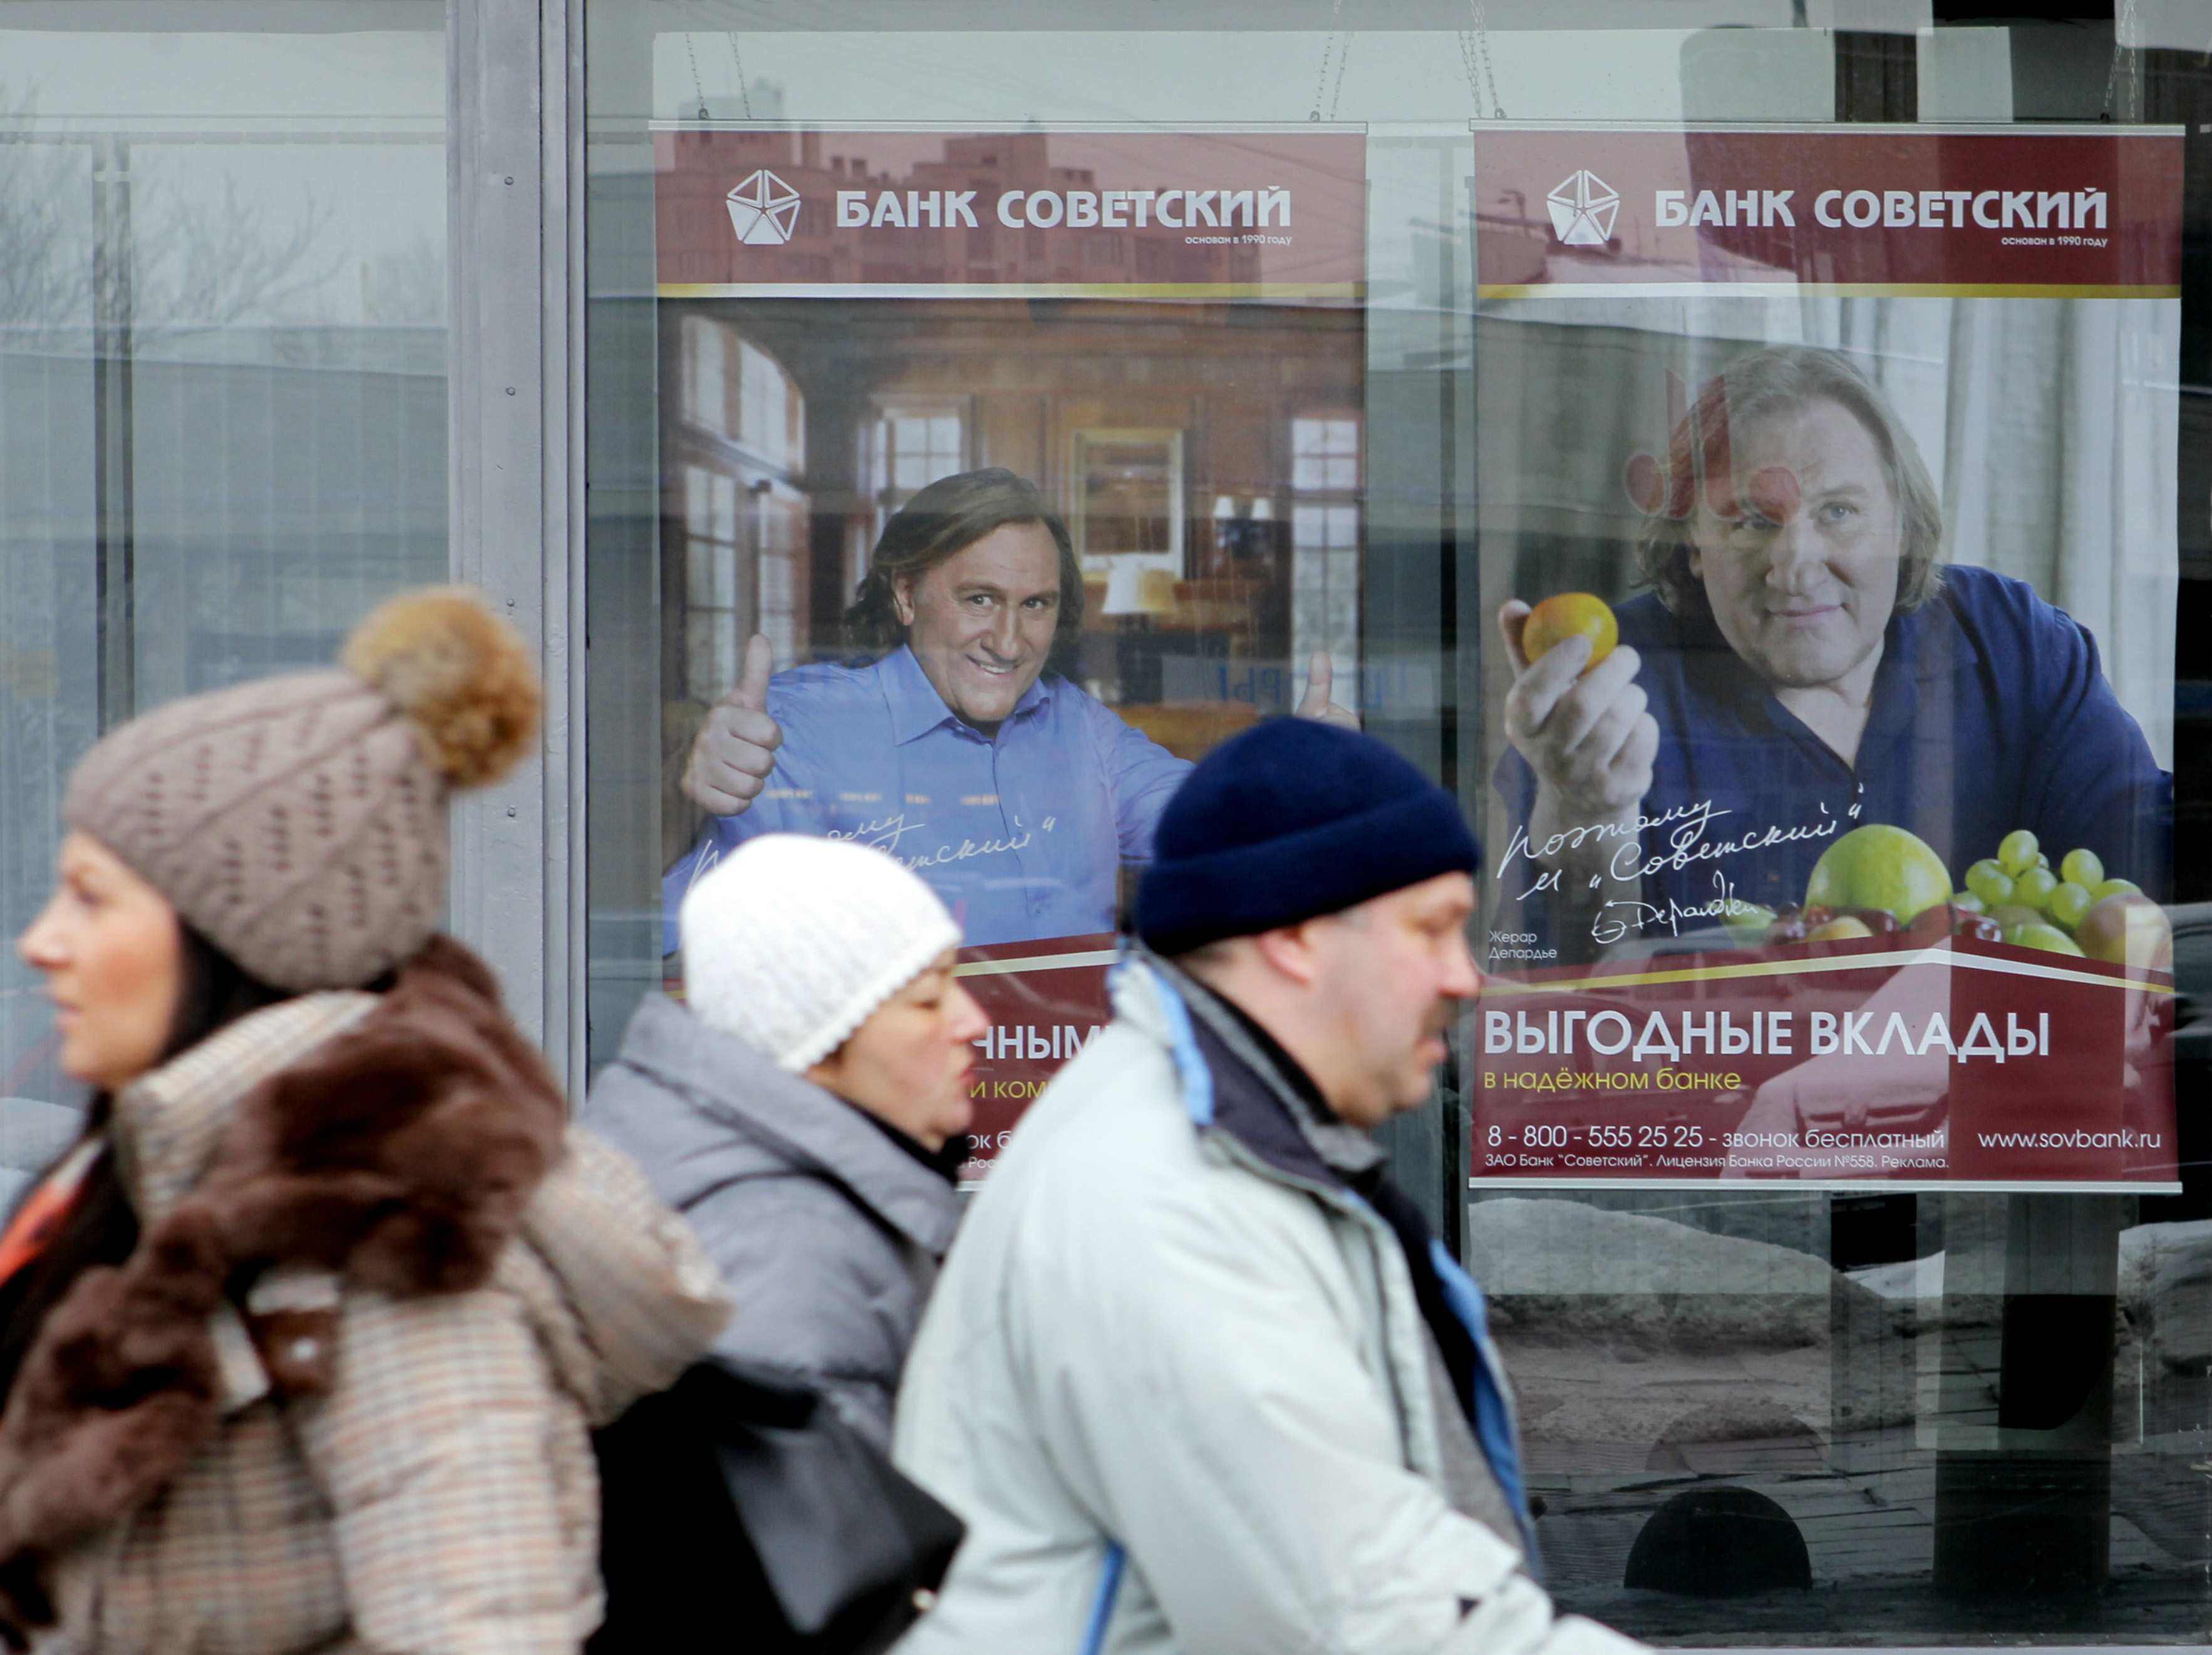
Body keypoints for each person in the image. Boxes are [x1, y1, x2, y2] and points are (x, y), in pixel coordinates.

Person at [0, 589, 729, 1652]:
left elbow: (481, 1627)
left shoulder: (393, 1248)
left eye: (93, 897)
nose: (43, 942)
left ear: (231, 938)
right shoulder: (154, 1177)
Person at [891, 719, 1639, 1655]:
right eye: (1432, 928)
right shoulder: (1169, 1200)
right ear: (1291, 937)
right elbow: (1365, 1617)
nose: (1467, 976)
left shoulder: (1227, 1141)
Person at [1495, 344, 2171, 954]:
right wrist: (1583, 817)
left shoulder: (2014, 643)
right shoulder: (1602, 704)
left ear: (1901, 524)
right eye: (1750, 522)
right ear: (1691, 543)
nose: (1794, 565)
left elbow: (2156, 870)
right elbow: (1540, 1014)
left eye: (1838, 512)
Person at [669, 466, 1355, 951]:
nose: (1007, 640)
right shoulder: (798, 729)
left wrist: (1308, 783)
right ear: (906, 596)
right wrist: (686, 793)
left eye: (1035, 605)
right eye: (979, 599)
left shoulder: (1083, 729)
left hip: (1065, 1113)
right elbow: (676, 940)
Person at [587, 832, 987, 1446]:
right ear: (818, 1040)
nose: (972, 1021)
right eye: (928, 998)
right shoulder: (787, 1249)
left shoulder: (713, 1160)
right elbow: (824, 1528)